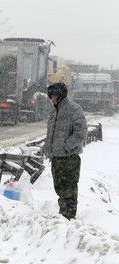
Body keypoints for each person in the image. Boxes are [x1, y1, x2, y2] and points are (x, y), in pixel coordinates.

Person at [43, 82, 87, 220]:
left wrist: (66, 147)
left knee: (69, 188)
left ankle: (68, 216)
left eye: (53, 96)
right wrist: (48, 148)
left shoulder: (74, 109)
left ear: (60, 95)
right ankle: (63, 214)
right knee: (60, 188)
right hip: (56, 157)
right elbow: (51, 132)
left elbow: (81, 132)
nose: (51, 99)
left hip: (69, 158)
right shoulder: (54, 111)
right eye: (50, 96)